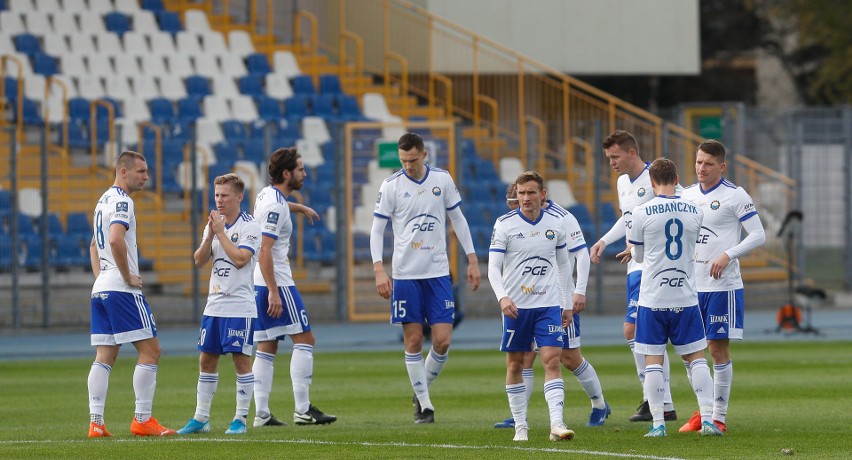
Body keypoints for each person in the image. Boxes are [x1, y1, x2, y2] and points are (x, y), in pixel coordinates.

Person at [370, 132, 481, 424]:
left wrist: (471, 258)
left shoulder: (442, 180)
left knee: (443, 340)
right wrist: (379, 268)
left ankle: (421, 391)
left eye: (413, 159)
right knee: (415, 339)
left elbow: (458, 219)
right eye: (403, 160)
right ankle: (425, 405)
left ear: (424, 155)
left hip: (438, 273)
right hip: (406, 275)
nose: (408, 165)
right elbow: (377, 229)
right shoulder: (391, 185)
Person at [494, 182, 610, 429]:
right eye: (517, 199)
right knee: (525, 356)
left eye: (525, 197)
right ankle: (519, 417)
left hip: (558, 299)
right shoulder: (513, 222)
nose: (520, 205)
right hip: (529, 300)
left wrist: (579, 291)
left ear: (540, 196)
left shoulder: (563, 219)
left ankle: (599, 404)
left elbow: (581, 254)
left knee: (568, 357)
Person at [628, 158, 721, 437]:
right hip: (685, 294)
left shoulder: (641, 211)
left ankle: (658, 423)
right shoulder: (694, 210)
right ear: (677, 178)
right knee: (697, 358)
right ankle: (707, 420)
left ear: (651, 182)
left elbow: (639, 256)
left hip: (653, 297)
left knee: (653, 359)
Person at [589, 130, 677, 422]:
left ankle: (656, 399)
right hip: (633, 265)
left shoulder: (657, 178)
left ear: (632, 152)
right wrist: (605, 240)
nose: (612, 162)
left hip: (651, 265)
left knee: (634, 329)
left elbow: (675, 212)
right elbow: (628, 219)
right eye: (608, 158)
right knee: (643, 333)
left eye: (615, 157)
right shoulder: (621, 182)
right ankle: (661, 403)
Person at [678, 140, 766, 434]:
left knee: (716, 350)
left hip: (721, 287)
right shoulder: (686, 195)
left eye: (708, 164)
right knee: (688, 352)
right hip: (689, 286)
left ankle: (717, 418)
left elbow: (758, 235)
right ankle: (703, 412)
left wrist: (728, 254)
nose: (701, 168)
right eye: (698, 162)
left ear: (722, 166)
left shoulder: (735, 195)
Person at [87, 150, 176, 438]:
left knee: (105, 355)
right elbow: (115, 239)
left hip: (101, 288)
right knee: (151, 351)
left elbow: (93, 246)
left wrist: (102, 277)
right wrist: (125, 276)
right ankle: (143, 419)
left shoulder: (103, 201)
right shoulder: (123, 201)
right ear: (123, 171)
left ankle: (96, 423)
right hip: (120, 288)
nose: (146, 176)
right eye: (141, 171)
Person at [251, 147, 337, 427]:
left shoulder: (266, 194)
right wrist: (275, 291)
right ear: (287, 173)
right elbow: (265, 250)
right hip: (277, 281)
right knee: (305, 339)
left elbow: (277, 208)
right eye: (300, 169)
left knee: (266, 345)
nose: (305, 173)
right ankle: (302, 409)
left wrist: (299, 207)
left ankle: (262, 414)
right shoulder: (276, 204)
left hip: (258, 281)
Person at [489, 171, 575, 443]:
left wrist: (566, 301)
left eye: (530, 192)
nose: (525, 198)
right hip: (517, 306)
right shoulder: (504, 224)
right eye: (521, 193)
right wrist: (502, 297)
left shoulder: (556, 224)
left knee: (551, 359)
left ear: (542, 195)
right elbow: (493, 266)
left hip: (548, 304)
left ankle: (557, 424)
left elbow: (563, 265)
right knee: (515, 364)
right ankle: (521, 427)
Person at [178, 173, 262, 435]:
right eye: (216, 195)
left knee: (240, 361)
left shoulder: (250, 226)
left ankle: (240, 419)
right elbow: (199, 260)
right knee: (206, 360)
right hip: (214, 304)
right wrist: (209, 237)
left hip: (239, 305)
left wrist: (221, 233)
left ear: (239, 196)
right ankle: (201, 418)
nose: (219, 200)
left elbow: (240, 259)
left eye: (224, 195)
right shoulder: (214, 224)